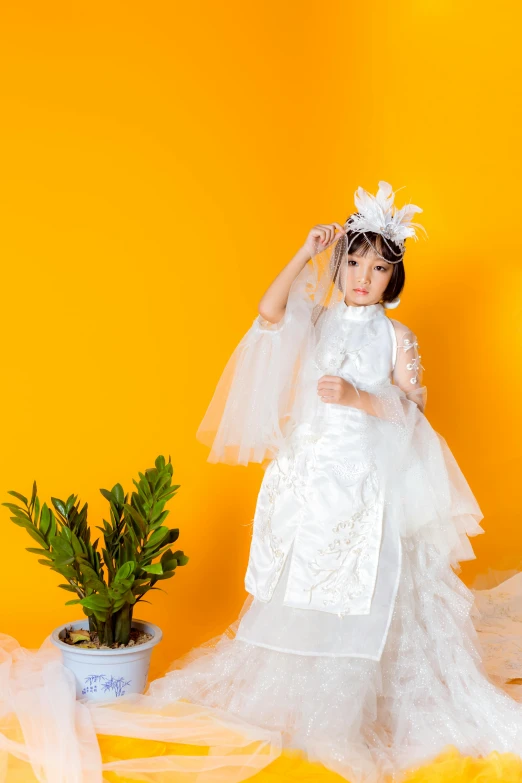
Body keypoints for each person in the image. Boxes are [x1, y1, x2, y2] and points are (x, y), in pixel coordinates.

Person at [2, 181, 522, 783]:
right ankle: (293, 682)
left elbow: (413, 412)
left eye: (379, 268)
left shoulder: (397, 338)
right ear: (340, 264)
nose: (362, 276)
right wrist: (305, 252)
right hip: (310, 472)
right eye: (353, 262)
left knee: (367, 581)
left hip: (370, 477)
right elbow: (270, 312)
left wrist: (358, 396)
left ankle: (358, 694)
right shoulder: (321, 318)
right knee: (301, 573)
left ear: (392, 280)